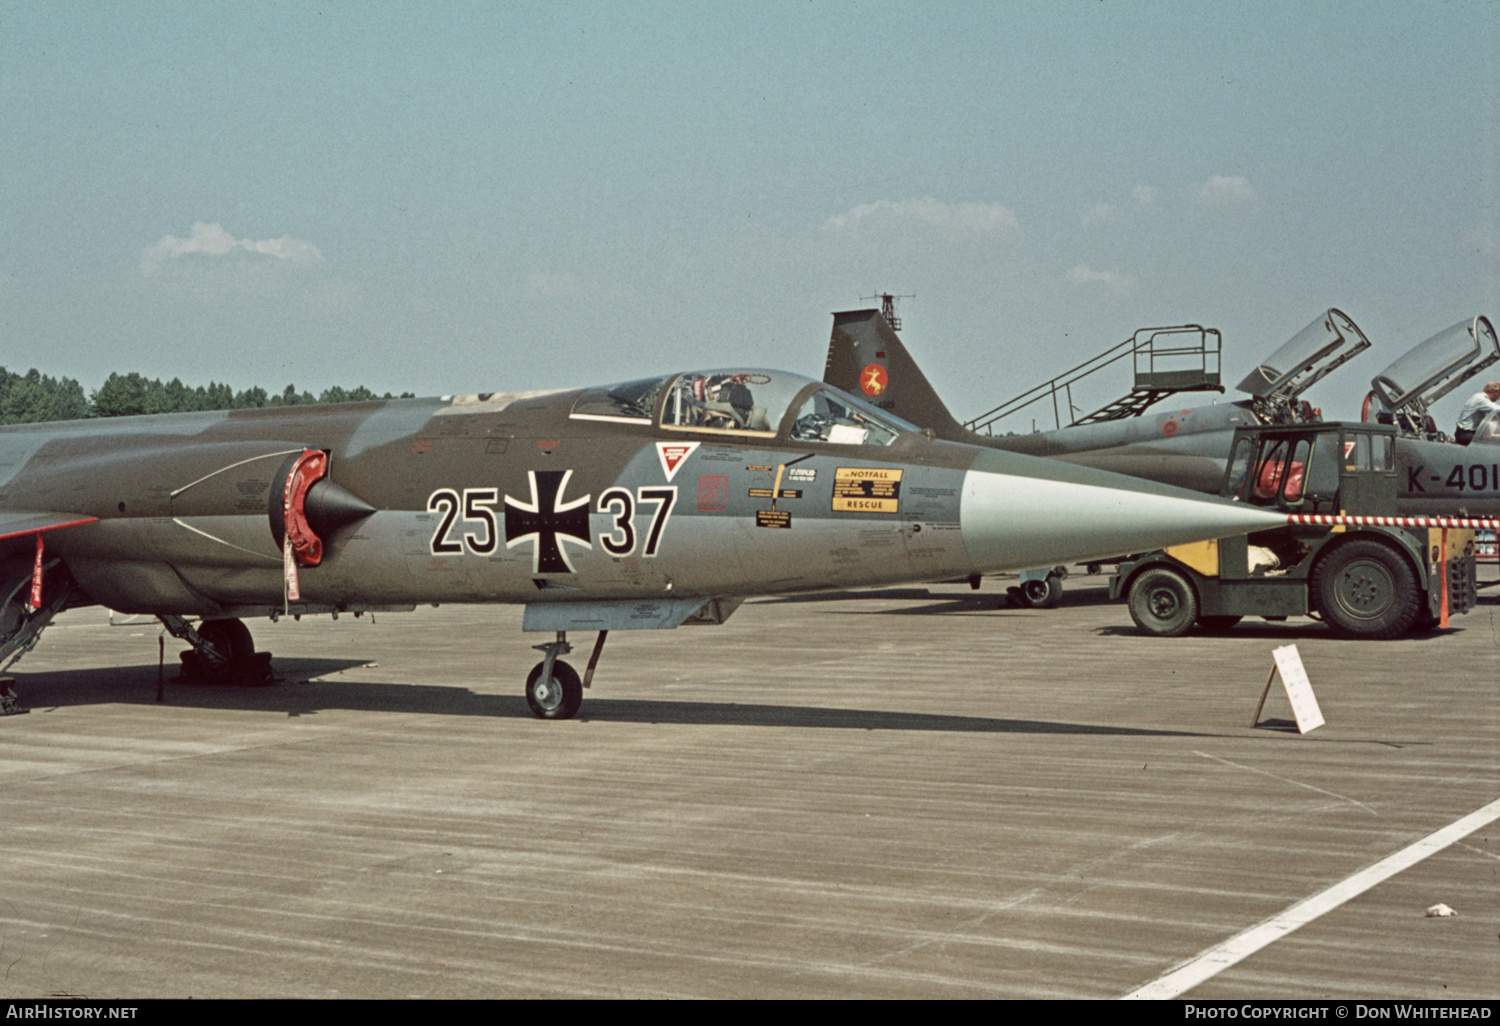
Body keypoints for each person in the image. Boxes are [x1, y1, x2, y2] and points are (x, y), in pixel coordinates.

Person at [1455, 380, 1500, 445]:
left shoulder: (1478, 396)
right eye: (1499, 394)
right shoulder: (1481, 399)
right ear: (1495, 391)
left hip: (1463, 433)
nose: (1499, 397)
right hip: (1466, 434)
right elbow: (1497, 409)